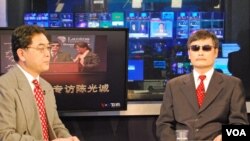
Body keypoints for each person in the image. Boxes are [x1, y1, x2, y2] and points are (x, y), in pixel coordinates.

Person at [156, 30, 249, 141]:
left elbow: (241, 127)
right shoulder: (174, 85)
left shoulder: (233, 84)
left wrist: (223, 137)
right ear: (189, 54)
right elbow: (163, 125)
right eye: (195, 48)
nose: (200, 52)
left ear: (215, 52)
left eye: (206, 48)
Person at [0, 25, 79, 141]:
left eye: (48, 48)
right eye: (41, 48)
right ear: (22, 54)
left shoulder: (46, 86)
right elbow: (4, 136)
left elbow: (55, 125)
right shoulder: (4, 86)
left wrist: (68, 138)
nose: (48, 54)